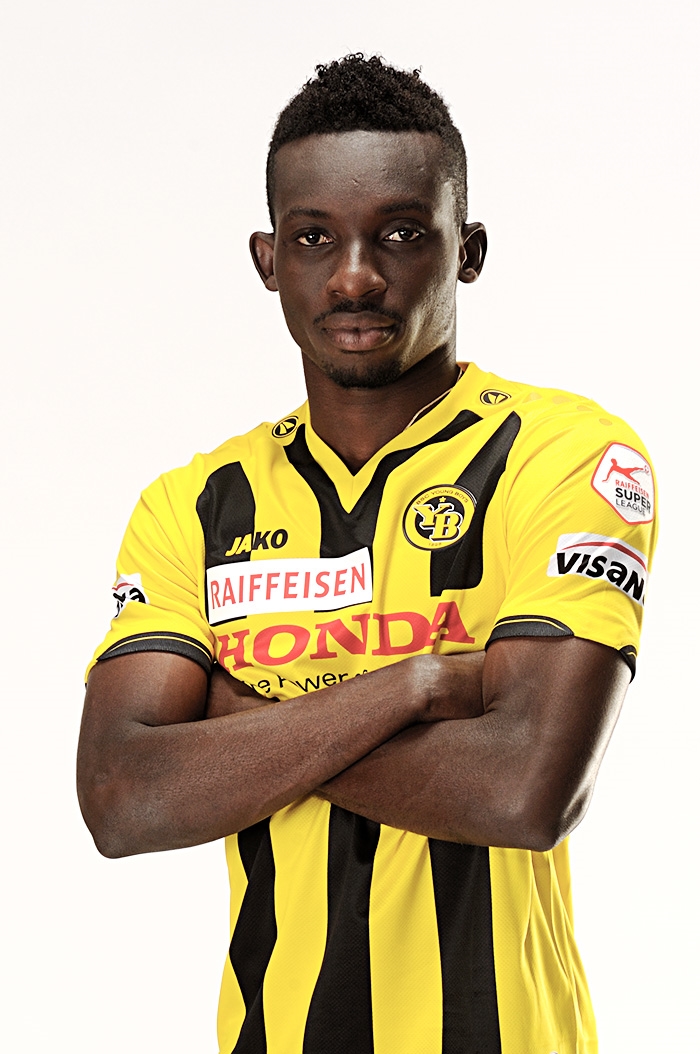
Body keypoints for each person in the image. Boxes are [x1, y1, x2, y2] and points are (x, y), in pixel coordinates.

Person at [77, 54, 657, 1054]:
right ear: (268, 260)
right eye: (314, 237)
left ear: (467, 250)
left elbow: (525, 789)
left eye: (399, 232)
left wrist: (242, 723)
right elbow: (123, 798)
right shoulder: (194, 505)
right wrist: (416, 684)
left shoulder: (565, 457)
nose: (354, 275)